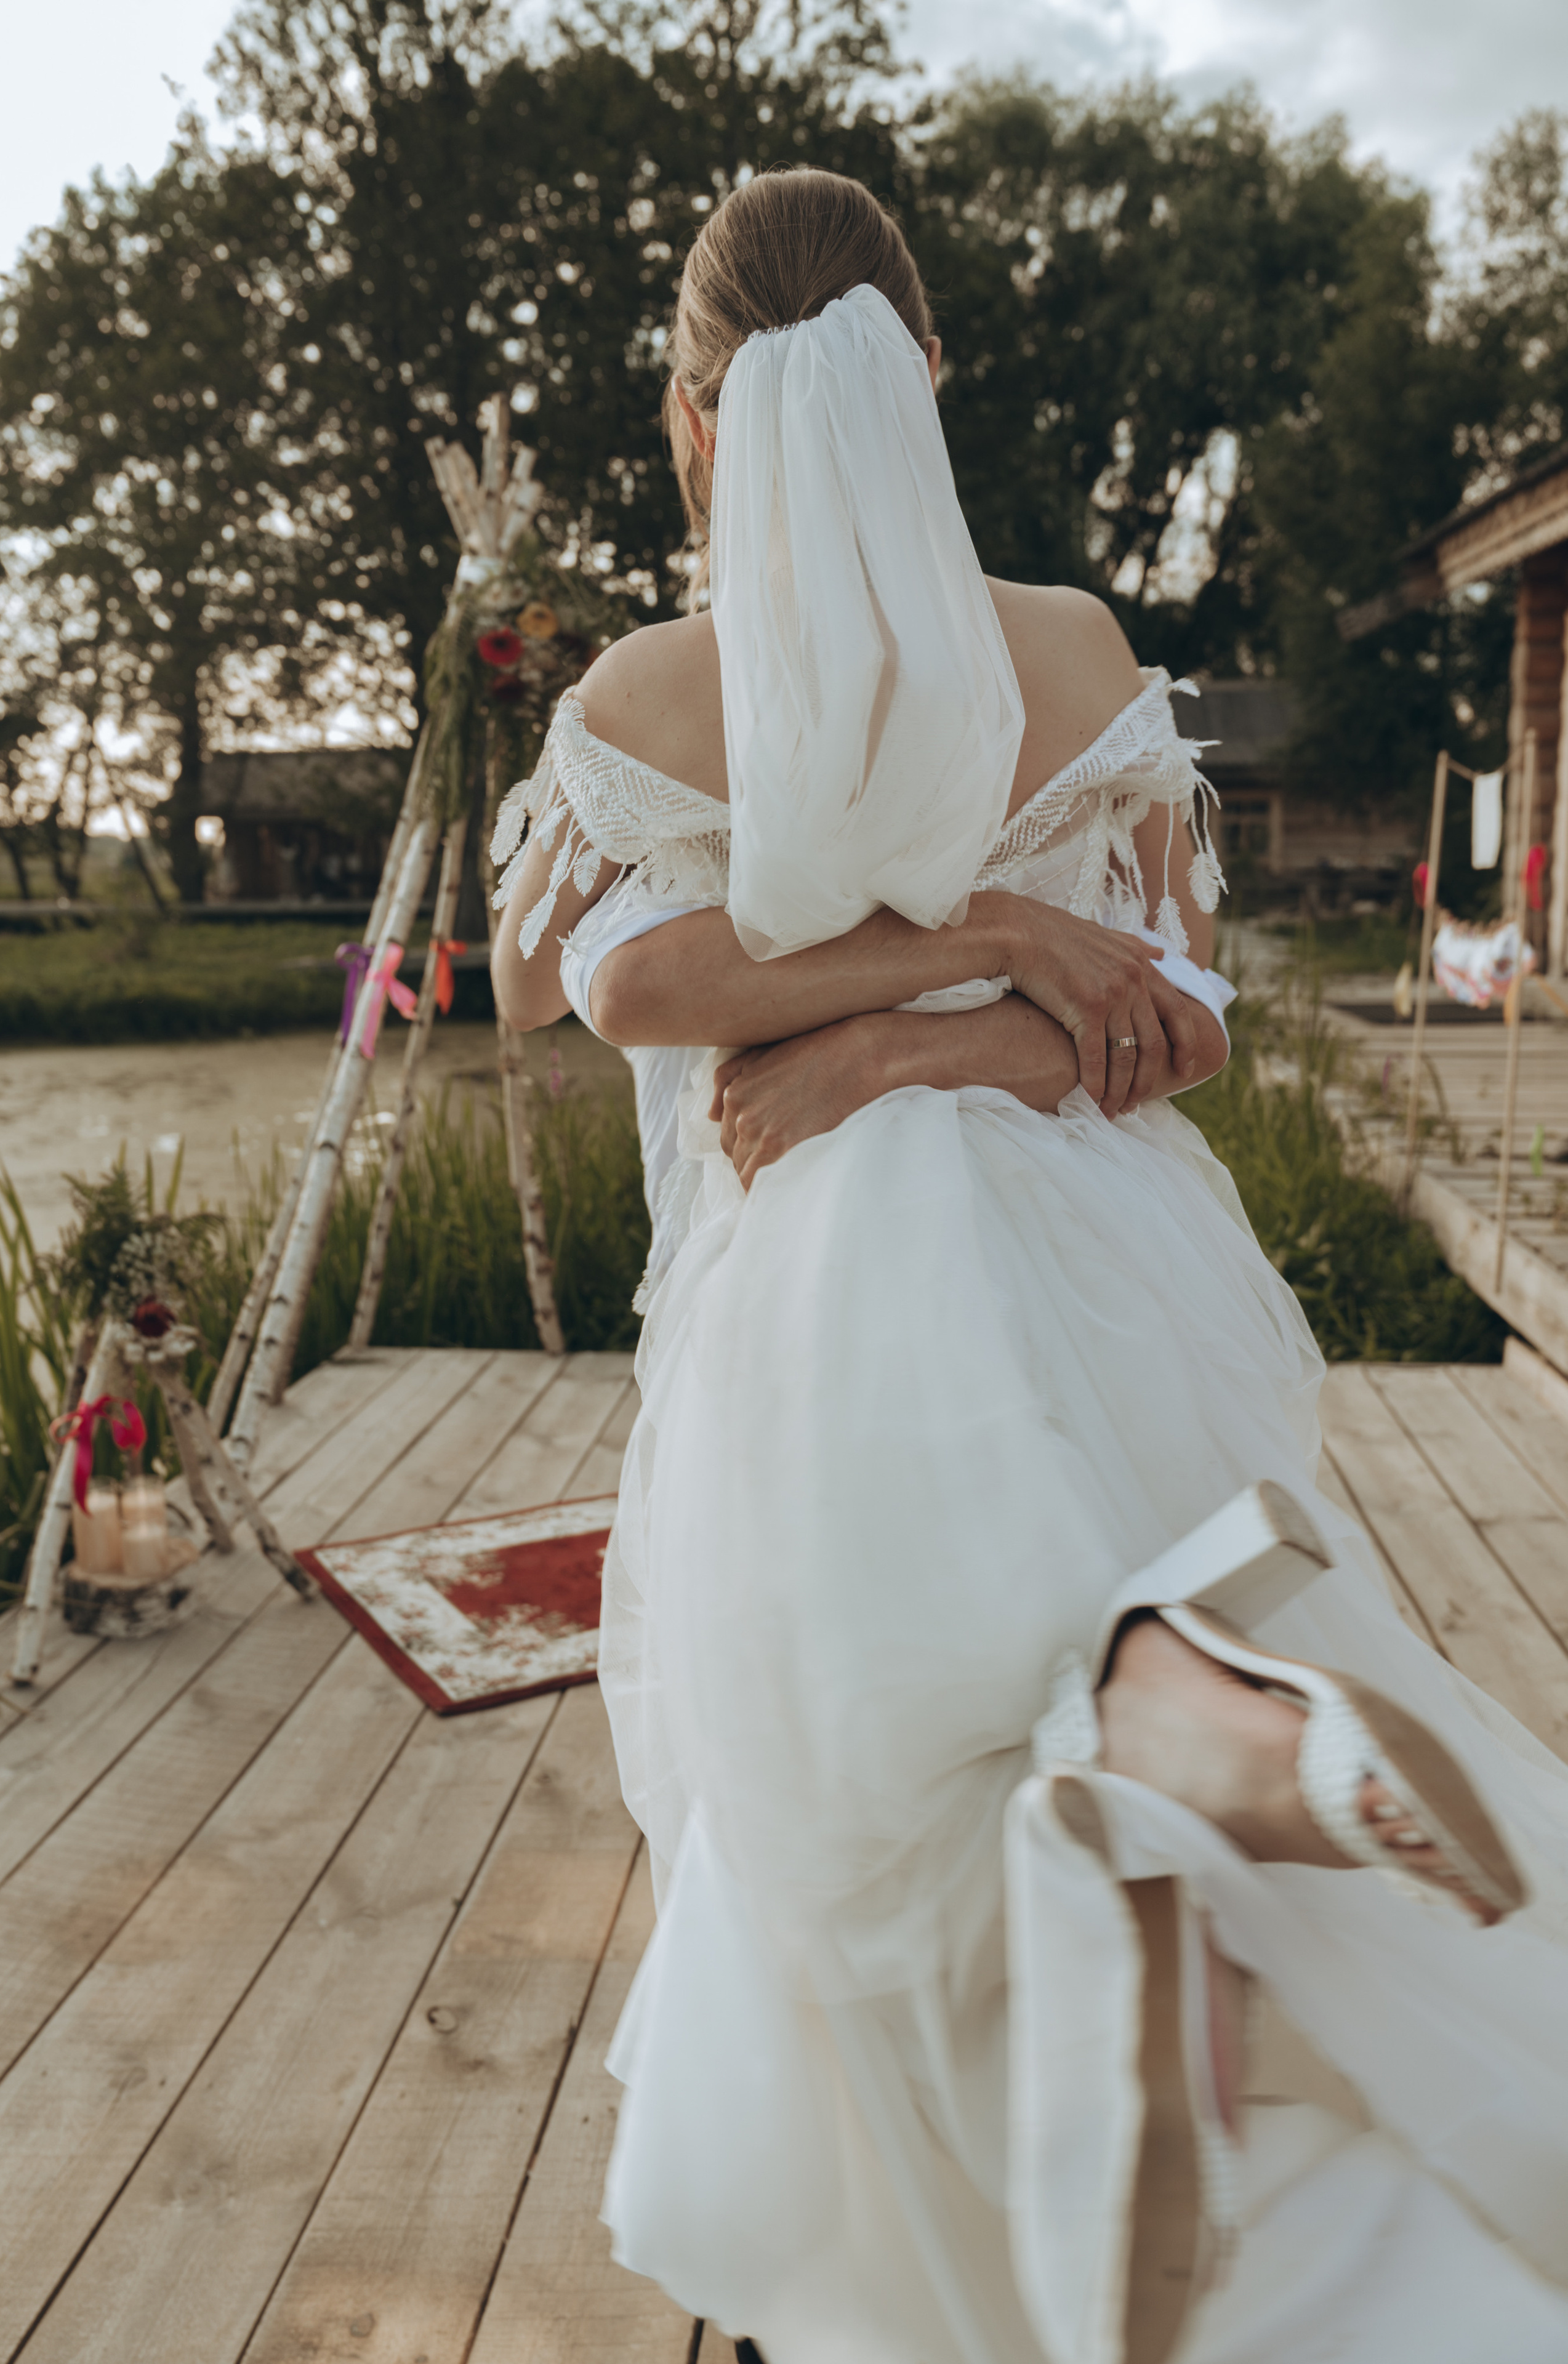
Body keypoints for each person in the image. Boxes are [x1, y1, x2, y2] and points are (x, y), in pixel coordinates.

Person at [493, 169, 1568, 2364]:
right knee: (1058, 1568)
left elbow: (602, 991)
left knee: (854, 1766)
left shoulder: (649, 692)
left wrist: (879, 1030)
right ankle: (1173, 1771)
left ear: (696, 420)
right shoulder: (1073, 651)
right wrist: (996, 944)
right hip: (1102, 1232)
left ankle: (1080, 2081)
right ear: (929, 381)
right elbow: (1187, 1011)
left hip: (814, 1264)